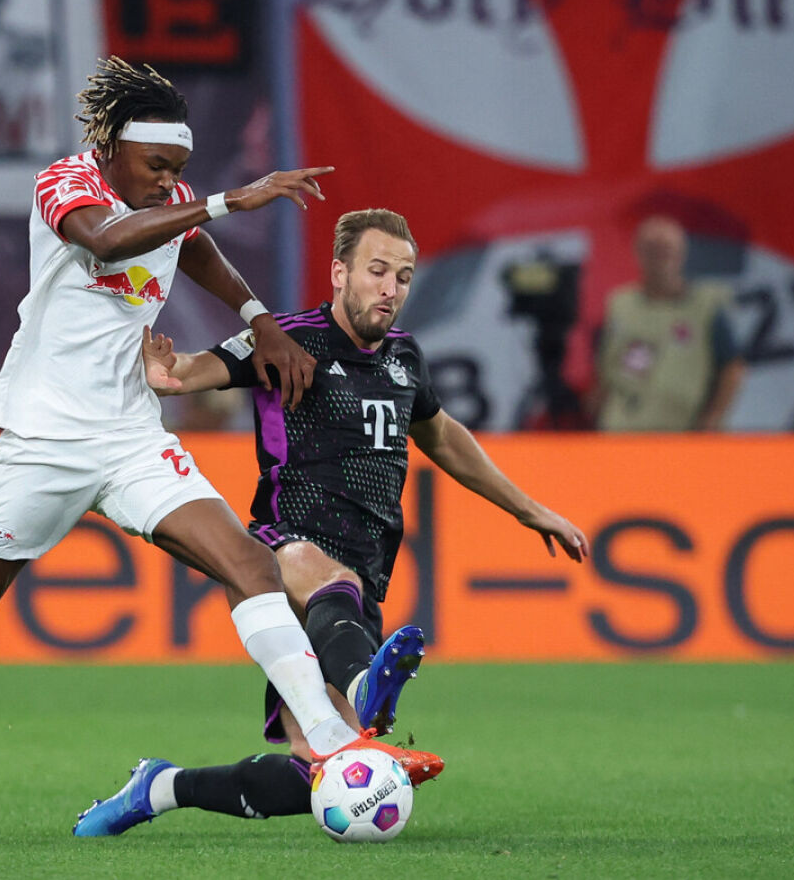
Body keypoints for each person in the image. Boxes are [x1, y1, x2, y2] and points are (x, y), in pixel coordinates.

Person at [0, 59, 442, 819]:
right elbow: (107, 243)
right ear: (112, 149)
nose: (167, 182)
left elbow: (190, 246)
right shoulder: (67, 185)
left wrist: (259, 318)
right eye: (157, 166)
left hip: (132, 437)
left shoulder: (167, 201)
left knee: (249, 564)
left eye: (180, 171)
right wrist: (228, 199)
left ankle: (334, 740)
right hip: (43, 442)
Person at [72, 208, 588, 836]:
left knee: (314, 772)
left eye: (402, 275)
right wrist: (167, 374)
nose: (390, 288)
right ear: (340, 272)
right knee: (320, 576)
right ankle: (366, 680)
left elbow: (445, 438)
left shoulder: (405, 359)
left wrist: (530, 510)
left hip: (361, 581)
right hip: (282, 549)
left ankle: (159, 788)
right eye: (376, 271)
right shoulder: (286, 339)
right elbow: (193, 371)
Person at [590, 215, 746, 432]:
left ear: (681, 254)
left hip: (679, 429)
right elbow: (607, 362)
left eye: (666, 251)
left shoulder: (703, 307)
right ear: (639, 253)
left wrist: (714, 416)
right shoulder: (621, 304)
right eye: (652, 251)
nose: (660, 259)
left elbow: (732, 367)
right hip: (622, 426)